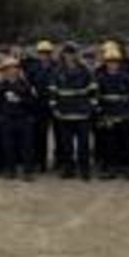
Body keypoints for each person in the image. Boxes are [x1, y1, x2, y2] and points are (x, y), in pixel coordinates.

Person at [51, 42, 97, 180]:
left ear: (76, 54)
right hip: (64, 114)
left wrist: (91, 108)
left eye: (72, 53)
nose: (70, 56)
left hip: (82, 113)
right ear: (63, 54)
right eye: (67, 53)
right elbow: (53, 92)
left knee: (83, 145)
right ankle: (68, 170)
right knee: (67, 145)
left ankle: (84, 170)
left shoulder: (85, 71)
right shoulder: (57, 71)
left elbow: (93, 91)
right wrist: (54, 108)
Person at [95, 43, 129, 180]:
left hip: (125, 115)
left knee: (127, 144)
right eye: (110, 62)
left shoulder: (127, 77)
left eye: (115, 62)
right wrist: (101, 114)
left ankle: (128, 168)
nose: (112, 64)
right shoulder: (100, 78)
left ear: (119, 63)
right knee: (109, 144)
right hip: (109, 116)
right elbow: (96, 98)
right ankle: (110, 168)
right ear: (106, 63)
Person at [0, 56, 39, 179]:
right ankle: (11, 170)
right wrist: (1, 117)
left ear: (17, 69)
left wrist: (20, 99)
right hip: (7, 120)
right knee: (8, 146)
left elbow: (33, 102)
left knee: (27, 147)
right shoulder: (2, 85)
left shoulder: (26, 85)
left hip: (24, 119)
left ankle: (28, 172)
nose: (9, 71)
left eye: (12, 68)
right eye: (6, 69)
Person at [25, 40, 58, 173]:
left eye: (47, 53)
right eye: (42, 53)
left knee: (59, 135)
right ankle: (40, 162)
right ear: (38, 54)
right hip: (38, 106)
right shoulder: (33, 68)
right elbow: (28, 84)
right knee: (39, 135)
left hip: (55, 104)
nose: (44, 55)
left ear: (50, 54)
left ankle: (60, 161)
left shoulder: (57, 67)